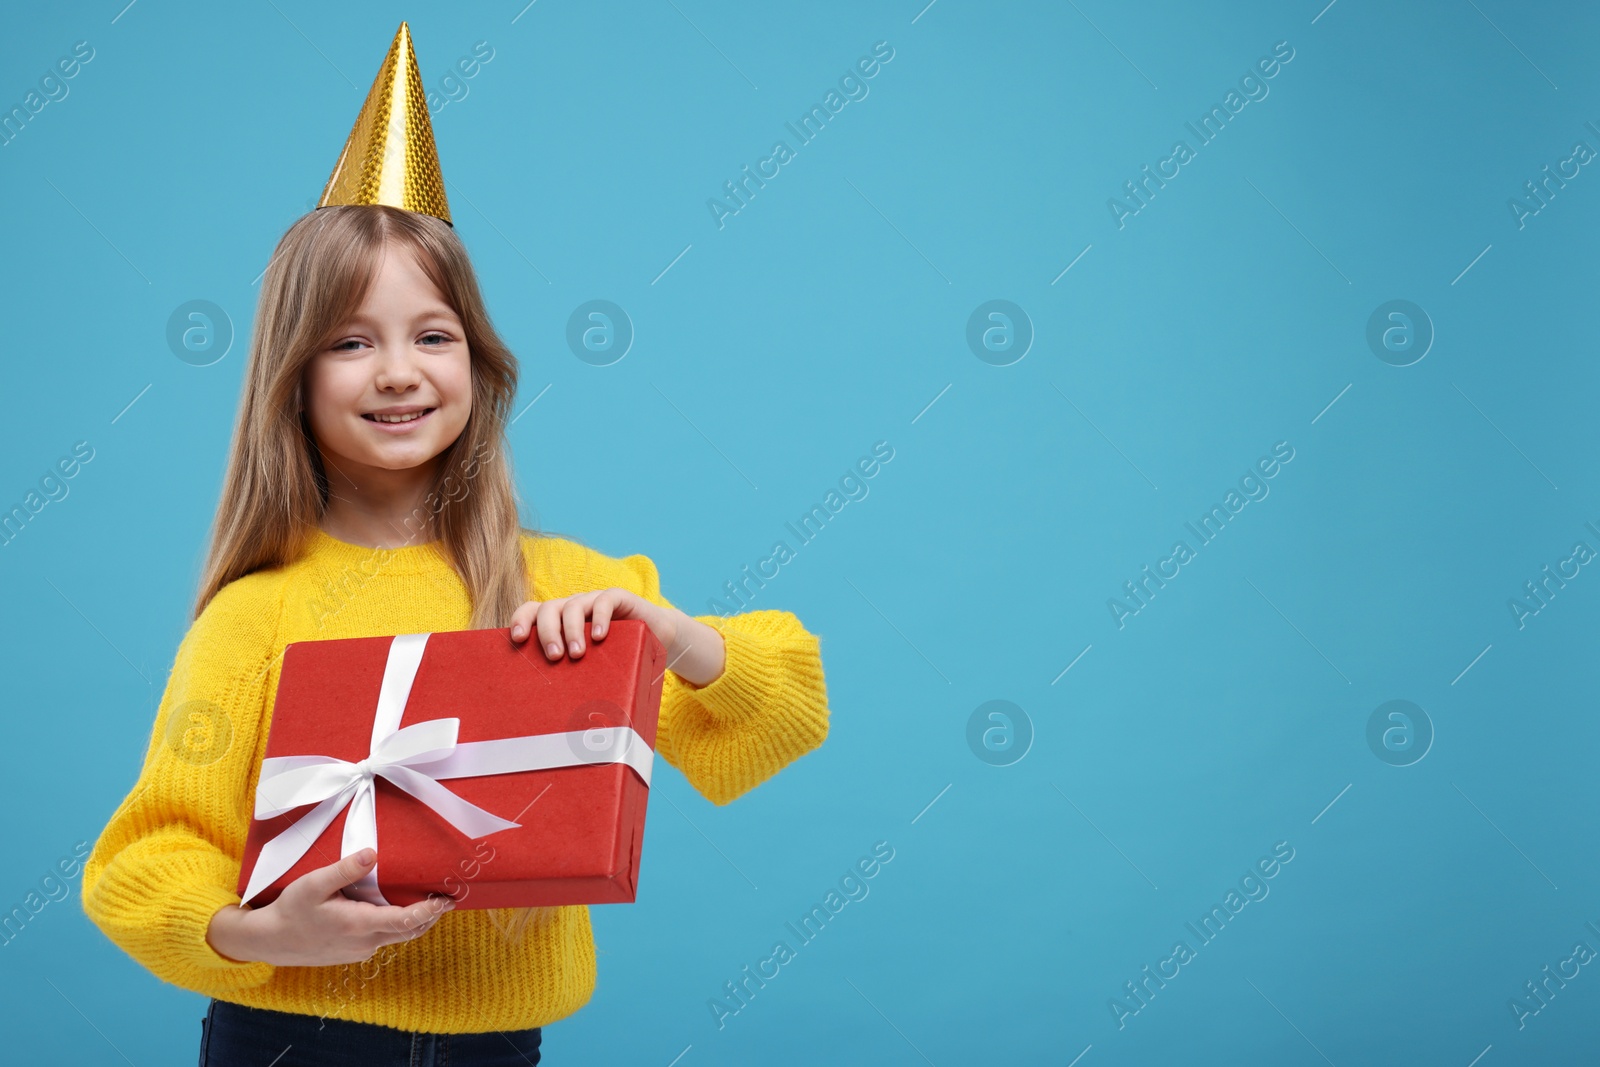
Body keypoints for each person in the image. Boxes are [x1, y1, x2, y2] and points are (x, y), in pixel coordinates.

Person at [79, 24, 829, 1066]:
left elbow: (786, 709)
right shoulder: (259, 613)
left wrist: (668, 635)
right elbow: (144, 857)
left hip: (499, 1047)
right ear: (291, 379)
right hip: (292, 1038)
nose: (397, 371)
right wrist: (253, 931)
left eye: (431, 334)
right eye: (349, 341)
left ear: (479, 361)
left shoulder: (567, 585)